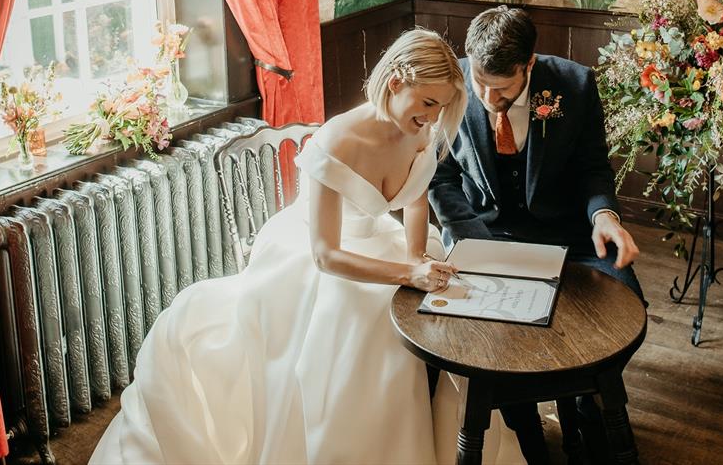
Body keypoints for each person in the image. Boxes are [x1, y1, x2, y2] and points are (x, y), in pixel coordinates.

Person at [90, 28, 469, 464]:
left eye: (440, 106)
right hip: (320, 255)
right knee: (369, 328)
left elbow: (418, 202)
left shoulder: (419, 127)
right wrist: (406, 275)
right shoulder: (338, 141)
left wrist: (415, 258)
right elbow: (326, 255)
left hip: (386, 243)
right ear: (396, 81)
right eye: (427, 103)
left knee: (446, 308)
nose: (433, 117)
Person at [428, 5, 646, 463]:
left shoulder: (575, 84)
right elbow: (441, 178)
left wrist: (604, 216)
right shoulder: (453, 83)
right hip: (485, 236)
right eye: (479, 83)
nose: (486, 96)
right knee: (493, 338)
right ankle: (522, 422)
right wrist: (473, 245)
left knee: (627, 313)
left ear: (529, 65)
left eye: (501, 88)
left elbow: (592, 169)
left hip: (566, 238)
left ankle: (587, 398)